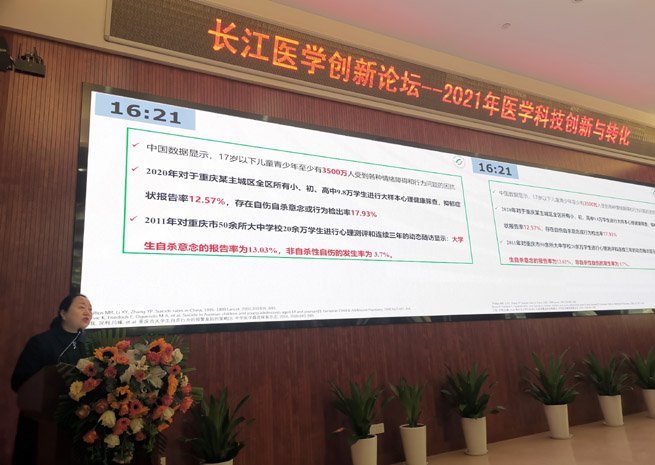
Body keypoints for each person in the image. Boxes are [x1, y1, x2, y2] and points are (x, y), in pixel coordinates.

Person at [11, 293, 93, 465]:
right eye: (81, 307)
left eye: (90, 309)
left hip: (79, 425)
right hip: (41, 424)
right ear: (63, 313)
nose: (87, 312)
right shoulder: (41, 343)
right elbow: (19, 381)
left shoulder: (92, 346)